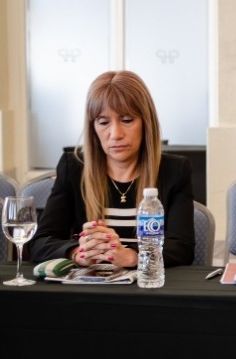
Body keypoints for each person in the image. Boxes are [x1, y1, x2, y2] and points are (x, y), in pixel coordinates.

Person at [27, 70, 195, 268]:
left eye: (126, 120)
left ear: (146, 123)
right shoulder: (73, 167)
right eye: (104, 122)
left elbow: (182, 249)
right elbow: (40, 242)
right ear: (93, 127)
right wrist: (76, 253)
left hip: (149, 289)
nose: (115, 134)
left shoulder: (174, 170)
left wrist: (132, 257)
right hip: (92, 290)